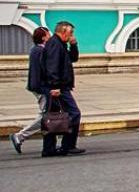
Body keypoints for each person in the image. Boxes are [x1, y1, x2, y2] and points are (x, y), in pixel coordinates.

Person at [40, 21, 83, 157]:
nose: (72, 35)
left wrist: (74, 45)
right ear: (63, 31)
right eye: (71, 33)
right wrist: (55, 86)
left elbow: (73, 58)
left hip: (59, 86)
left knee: (52, 116)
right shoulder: (54, 44)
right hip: (58, 87)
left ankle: (49, 148)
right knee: (74, 113)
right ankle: (68, 145)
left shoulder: (61, 44)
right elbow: (52, 66)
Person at [9, 27, 51, 154]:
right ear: (43, 37)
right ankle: (20, 136)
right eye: (48, 34)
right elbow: (39, 71)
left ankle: (22, 136)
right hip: (41, 87)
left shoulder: (37, 50)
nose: (50, 36)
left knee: (46, 114)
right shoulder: (39, 51)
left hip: (39, 86)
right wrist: (43, 89)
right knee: (45, 116)